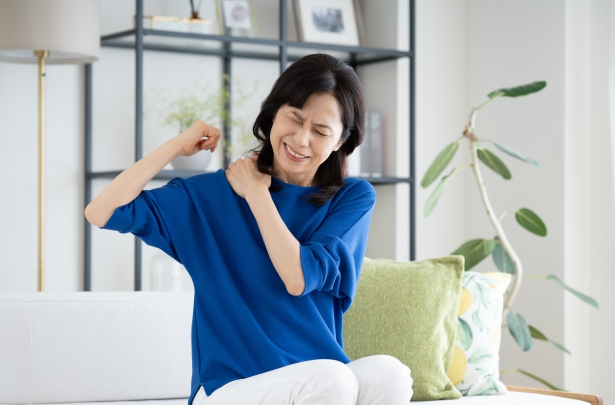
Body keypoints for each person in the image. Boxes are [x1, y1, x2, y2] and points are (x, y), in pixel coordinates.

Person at [85, 53, 413, 405]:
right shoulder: (214, 195)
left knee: (390, 373)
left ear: (340, 142)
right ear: (273, 114)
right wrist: (176, 146)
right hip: (230, 389)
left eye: (320, 131)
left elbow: (298, 276)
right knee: (331, 379)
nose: (301, 139)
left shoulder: (351, 198)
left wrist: (257, 193)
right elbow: (102, 211)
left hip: (320, 383)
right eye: (294, 118)